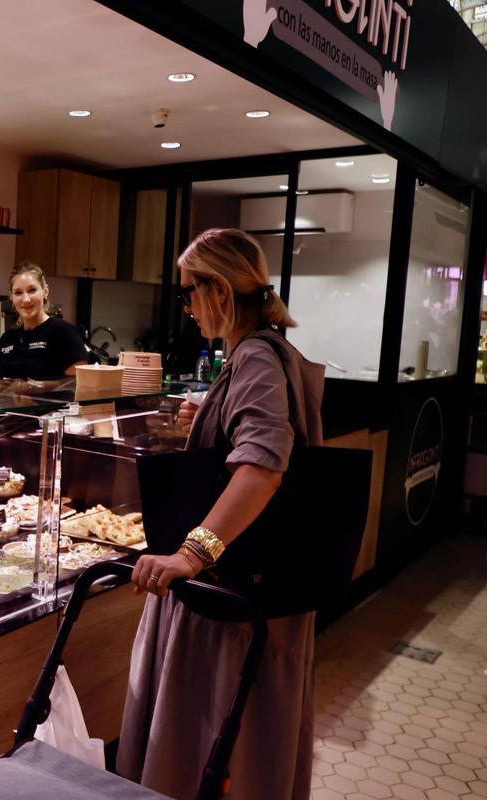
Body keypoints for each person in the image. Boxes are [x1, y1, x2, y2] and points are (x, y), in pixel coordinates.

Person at [117, 228, 324, 800]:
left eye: (188, 293)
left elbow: (262, 465)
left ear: (219, 291)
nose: (185, 308)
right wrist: (208, 417)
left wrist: (193, 552)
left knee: (216, 739)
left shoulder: (255, 356)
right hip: (263, 587)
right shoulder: (266, 349)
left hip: (236, 593)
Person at [0, 262, 88, 381]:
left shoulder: (64, 333)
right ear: (11, 297)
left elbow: (79, 385)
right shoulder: (7, 338)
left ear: (45, 291)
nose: (26, 299)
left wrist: (33, 388)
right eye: (18, 293)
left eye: (32, 290)